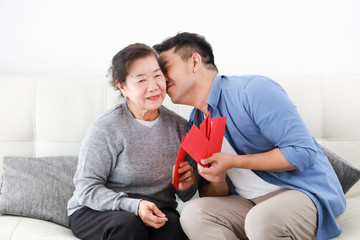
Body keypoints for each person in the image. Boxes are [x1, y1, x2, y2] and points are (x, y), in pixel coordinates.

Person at [153, 32, 346, 240]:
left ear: (195, 62)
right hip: (249, 204)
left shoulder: (252, 91)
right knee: (192, 214)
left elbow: (303, 153)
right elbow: (214, 194)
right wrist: (217, 178)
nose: (161, 79)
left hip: (303, 195)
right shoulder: (196, 123)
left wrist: (234, 161)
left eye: (166, 69)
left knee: (260, 220)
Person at [67, 43, 197, 240]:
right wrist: (135, 206)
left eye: (157, 75)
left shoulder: (181, 128)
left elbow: (186, 196)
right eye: (141, 80)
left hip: (155, 210)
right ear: (122, 87)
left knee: (174, 230)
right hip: (98, 211)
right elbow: (87, 189)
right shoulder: (106, 128)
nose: (153, 86)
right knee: (127, 227)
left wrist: (186, 186)